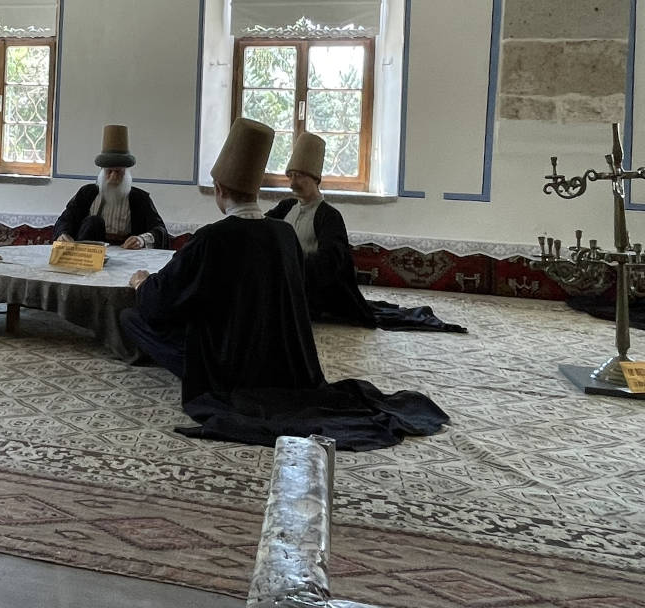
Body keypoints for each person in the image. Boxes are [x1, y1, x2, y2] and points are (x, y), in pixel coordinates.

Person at [119, 118, 449, 450]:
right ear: (256, 191)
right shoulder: (283, 233)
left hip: (227, 365)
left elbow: (162, 301)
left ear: (218, 189)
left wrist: (142, 284)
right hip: (280, 360)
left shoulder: (211, 238)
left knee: (132, 317)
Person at [266, 132, 466, 333]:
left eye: (300, 176)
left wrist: (294, 267)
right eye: (291, 176)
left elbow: (328, 264)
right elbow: (264, 228)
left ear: (315, 179)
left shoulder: (328, 216)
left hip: (312, 290)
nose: (293, 183)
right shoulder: (286, 207)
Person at [53, 125, 169, 249]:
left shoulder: (140, 198)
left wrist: (141, 240)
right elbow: (65, 220)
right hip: (89, 252)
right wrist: (63, 234)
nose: (113, 177)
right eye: (109, 171)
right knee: (94, 222)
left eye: (118, 172)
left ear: (126, 173)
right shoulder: (86, 193)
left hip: (126, 252)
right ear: (102, 172)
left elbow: (160, 229)